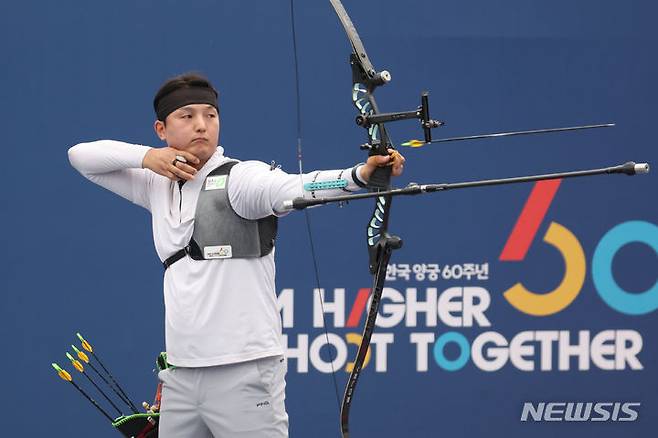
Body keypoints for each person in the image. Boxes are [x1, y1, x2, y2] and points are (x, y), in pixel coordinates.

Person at [68, 72, 405, 437]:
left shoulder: (242, 179)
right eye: (188, 116)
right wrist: (148, 158)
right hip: (181, 374)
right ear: (161, 129)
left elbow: (294, 187)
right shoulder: (155, 184)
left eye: (211, 115)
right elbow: (81, 157)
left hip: (244, 372)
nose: (202, 125)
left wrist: (359, 175)